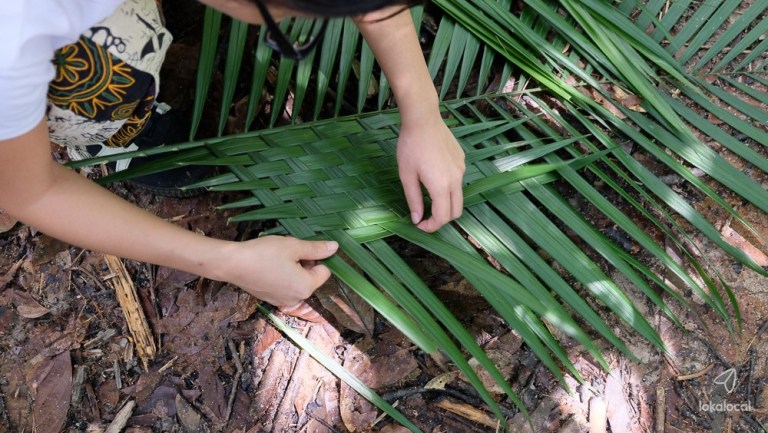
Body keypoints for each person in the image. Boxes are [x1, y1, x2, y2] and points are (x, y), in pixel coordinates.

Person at [0, 0, 466, 308]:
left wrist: (424, 115)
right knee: (104, 78)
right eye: (288, 19)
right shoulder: (15, 34)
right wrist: (226, 262)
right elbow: (31, 189)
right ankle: (114, 129)